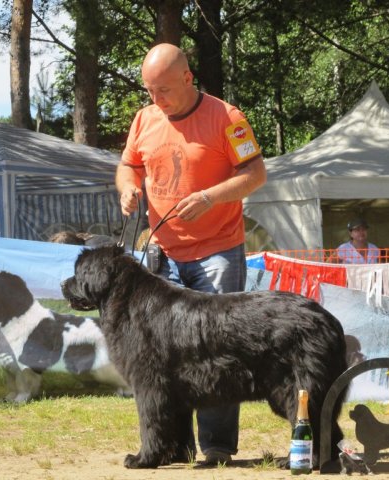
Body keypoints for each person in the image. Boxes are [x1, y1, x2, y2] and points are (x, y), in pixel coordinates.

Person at [115, 43, 267, 466]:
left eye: (162, 90)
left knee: (216, 347)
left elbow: (256, 173)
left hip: (218, 252)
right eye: (149, 90)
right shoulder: (144, 119)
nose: (154, 99)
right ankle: (171, 446)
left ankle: (217, 447)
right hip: (163, 255)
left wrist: (211, 197)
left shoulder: (228, 117)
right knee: (162, 353)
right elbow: (128, 165)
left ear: (188, 78)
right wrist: (127, 187)